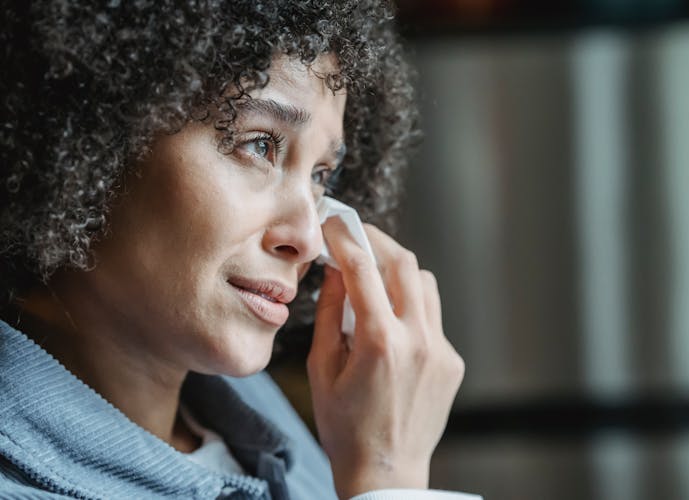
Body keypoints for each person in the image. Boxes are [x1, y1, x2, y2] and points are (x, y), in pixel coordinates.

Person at [0, 1, 477, 499]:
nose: (310, 238)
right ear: (95, 134)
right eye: (260, 145)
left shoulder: (243, 413)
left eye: (321, 176)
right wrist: (388, 481)